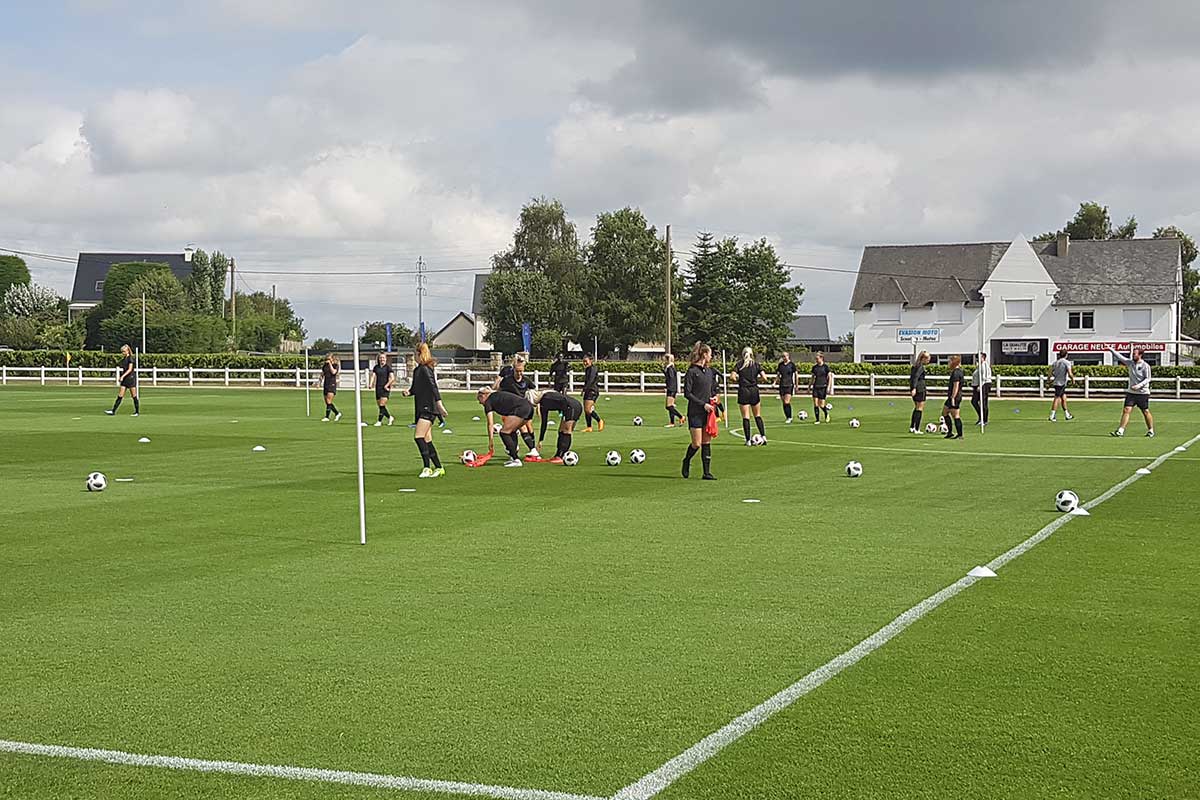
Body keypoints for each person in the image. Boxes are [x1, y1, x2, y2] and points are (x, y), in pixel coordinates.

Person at [405, 343, 449, 477]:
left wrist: (440, 405)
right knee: (427, 440)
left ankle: (426, 467)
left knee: (418, 437)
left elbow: (433, 387)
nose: (414, 358)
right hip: (420, 407)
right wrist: (408, 392)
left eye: (415, 355)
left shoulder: (426, 369)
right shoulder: (417, 370)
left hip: (429, 408)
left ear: (419, 354)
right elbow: (416, 388)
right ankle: (439, 467)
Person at [682, 342, 717, 480]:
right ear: (704, 354)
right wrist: (703, 404)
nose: (711, 356)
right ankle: (686, 461)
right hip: (695, 411)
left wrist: (714, 397)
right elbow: (687, 393)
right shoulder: (691, 372)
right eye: (710, 354)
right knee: (696, 443)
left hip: (708, 412)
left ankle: (706, 472)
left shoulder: (709, 372)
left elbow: (712, 388)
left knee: (706, 442)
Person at [478, 386, 535, 467]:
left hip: (521, 408)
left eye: (479, 399)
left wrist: (490, 441)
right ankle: (513, 457)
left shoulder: (488, 402)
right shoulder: (497, 396)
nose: (480, 403)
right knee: (511, 431)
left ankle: (516, 460)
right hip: (529, 407)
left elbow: (490, 423)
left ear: (483, 395)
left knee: (504, 433)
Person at [1109, 347, 1154, 437]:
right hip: (1131, 393)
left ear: (1140, 355)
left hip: (1142, 393)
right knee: (1126, 410)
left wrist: (1138, 386)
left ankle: (1151, 430)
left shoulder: (1145, 366)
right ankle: (1120, 431)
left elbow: (1148, 378)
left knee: (1145, 411)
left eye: (1135, 354)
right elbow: (1120, 357)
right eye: (1133, 353)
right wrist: (1110, 349)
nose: (1133, 355)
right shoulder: (1130, 363)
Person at [499, 355, 539, 456]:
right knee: (520, 428)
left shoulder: (526, 380)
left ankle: (529, 448)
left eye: (521, 371)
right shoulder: (507, 380)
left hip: (523, 407)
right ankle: (529, 449)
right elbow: (500, 391)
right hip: (511, 408)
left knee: (527, 427)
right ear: (513, 370)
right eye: (517, 371)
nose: (519, 373)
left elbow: (534, 392)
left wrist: (537, 405)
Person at [731, 346, 768, 444]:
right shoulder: (756, 364)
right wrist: (756, 380)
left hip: (743, 390)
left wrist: (740, 380)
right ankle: (763, 436)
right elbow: (765, 378)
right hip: (754, 390)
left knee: (746, 417)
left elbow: (732, 377)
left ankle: (747, 440)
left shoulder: (739, 364)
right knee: (757, 415)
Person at [534, 390, 583, 462]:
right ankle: (558, 455)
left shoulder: (546, 399)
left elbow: (563, 400)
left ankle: (561, 456)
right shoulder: (544, 402)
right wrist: (541, 440)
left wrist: (563, 413)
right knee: (561, 431)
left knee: (566, 430)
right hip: (570, 407)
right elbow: (544, 422)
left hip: (572, 407)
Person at [105, 344, 140, 416]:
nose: (122, 353)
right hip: (125, 379)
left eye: (124, 351)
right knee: (120, 395)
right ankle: (113, 411)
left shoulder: (130, 359)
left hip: (130, 379)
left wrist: (122, 376)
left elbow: (130, 369)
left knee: (134, 395)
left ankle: (136, 412)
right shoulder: (124, 359)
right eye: (122, 352)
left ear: (127, 351)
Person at [369, 352, 395, 426]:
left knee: (382, 405)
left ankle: (379, 421)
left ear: (386, 359)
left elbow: (392, 378)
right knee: (380, 407)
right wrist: (371, 384)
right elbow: (373, 376)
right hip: (378, 388)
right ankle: (389, 417)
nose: (382, 359)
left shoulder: (388, 368)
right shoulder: (376, 367)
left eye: (383, 358)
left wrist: (387, 385)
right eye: (380, 358)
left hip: (385, 389)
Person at [941, 354, 965, 439]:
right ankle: (950, 432)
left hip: (955, 397)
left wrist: (953, 397)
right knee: (944, 412)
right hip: (952, 397)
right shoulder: (957, 371)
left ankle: (960, 434)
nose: (949, 363)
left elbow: (956, 386)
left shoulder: (956, 373)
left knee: (956, 415)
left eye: (950, 361)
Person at [1048, 350, 1075, 422]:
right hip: (1061, 383)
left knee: (1063, 397)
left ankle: (1067, 414)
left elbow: (1050, 373)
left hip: (1056, 382)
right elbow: (1070, 373)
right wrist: (1073, 379)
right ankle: (1052, 415)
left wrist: (1048, 382)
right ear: (1066, 355)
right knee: (1057, 398)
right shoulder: (1067, 363)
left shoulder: (1055, 363)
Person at [908, 350, 930, 434]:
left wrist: (912, 388)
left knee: (916, 408)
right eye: (927, 358)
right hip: (920, 389)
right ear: (923, 358)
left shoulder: (915, 366)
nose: (928, 360)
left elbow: (912, 378)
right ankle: (917, 428)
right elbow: (916, 377)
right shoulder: (920, 367)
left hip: (916, 389)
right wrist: (914, 388)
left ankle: (912, 427)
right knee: (920, 409)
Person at [581, 354, 604, 432]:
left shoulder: (593, 369)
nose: (584, 363)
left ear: (591, 361)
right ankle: (589, 427)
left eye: (586, 361)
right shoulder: (587, 369)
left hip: (592, 390)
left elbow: (591, 380)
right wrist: (583, 389)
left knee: (588, 409)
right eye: (583, 361)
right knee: (586, 409)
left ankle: (599, 420)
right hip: (588, 390)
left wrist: (585, 388)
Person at [970, 352, 993, 427]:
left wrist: (980, 386)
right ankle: (981, 417)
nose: (977, 359)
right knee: (974, 401)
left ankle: (984, 420)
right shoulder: (979, 366)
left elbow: (984, 377)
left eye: (979, 357)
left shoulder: (984, 365)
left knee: (983, 402)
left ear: (983, 357)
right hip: (978, 385)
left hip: (984, 385)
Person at [810, 351, 832, 424]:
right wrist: (809, 386)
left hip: (823, 387)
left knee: (821, 405)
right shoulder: (814, 367)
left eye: (817, 358)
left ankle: (826, 413)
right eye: (815, 359)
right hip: (816, 386)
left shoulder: (825, 367)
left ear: (821, 358)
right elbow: (813, 377)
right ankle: (817, 420)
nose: (816, 360)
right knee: (815, 404)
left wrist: (829, 387)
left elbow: (829, 377)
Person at [776, 351, 797, 423]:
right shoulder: (780, 365)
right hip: (782, 385)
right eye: (783, 356)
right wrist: (775, 382)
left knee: (786, 401)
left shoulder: (791, 365)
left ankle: (790, 417)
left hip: (789, 385)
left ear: (788, 356)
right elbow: (778, 375)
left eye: (785, 356)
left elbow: (796, 374)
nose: (784, 357)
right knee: (783, 402)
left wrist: (797, 385)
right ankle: (787, 416)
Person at [319, 353, 341, 421]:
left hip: (332, 384)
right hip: (326, 384)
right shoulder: (325, 366)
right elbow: (322, 374)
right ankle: (337, 413)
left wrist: (330, 364)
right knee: (327, 402)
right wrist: (319, 382)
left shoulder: (335, 365)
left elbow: (334, 372)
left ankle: (327, 417)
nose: (327, 360)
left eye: (329, 359)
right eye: (326, 359)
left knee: (329, 401)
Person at [663, 353, 682, 427]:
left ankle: (681, 417)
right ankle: (672, 422)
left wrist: (668, 387)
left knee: (668, 406)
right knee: (671, 406)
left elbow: (671, 379)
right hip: (672, 388)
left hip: (671, 389)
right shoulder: (671, 367)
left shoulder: (670, 368)